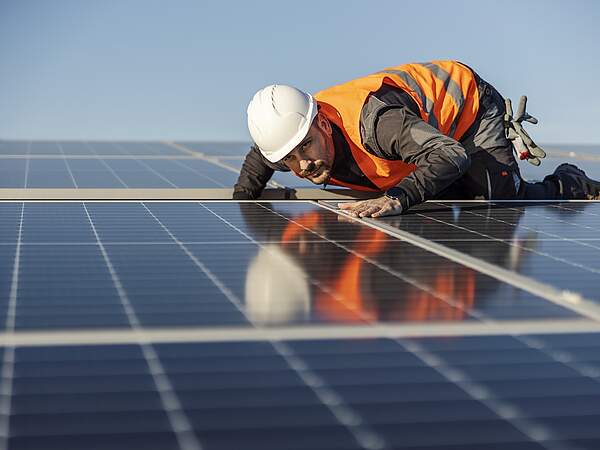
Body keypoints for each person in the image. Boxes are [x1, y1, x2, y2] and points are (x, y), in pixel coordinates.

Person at [233, 60, 600, 217]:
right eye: (288, 161)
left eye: (306, 148)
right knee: (439, 187)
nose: (303, 165)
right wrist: (242, 200)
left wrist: (398, 197)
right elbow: (259, 159)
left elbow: (451, 155)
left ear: (323, 124)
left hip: (466, 111)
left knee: (496, 199)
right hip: (422, 137)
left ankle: (569, 182)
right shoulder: (286, 137)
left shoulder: (376, 125)